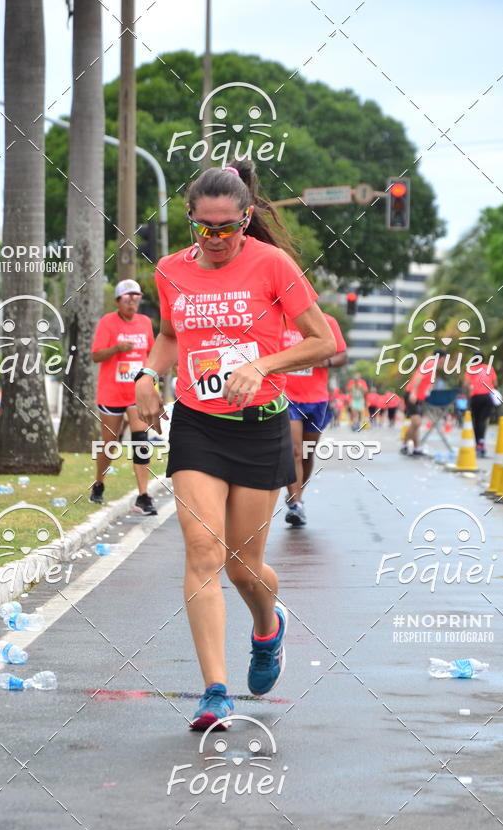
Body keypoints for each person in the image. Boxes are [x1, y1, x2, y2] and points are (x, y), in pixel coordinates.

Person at [135, 161, 336, 731]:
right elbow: (171, 336)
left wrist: (262, 363)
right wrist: (145, 377)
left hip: (260, 425)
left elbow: (323, 341)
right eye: (206, 228)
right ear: (190, 220)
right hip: (198, 424)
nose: (218, 239)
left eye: (228, 228)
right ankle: (215, 692)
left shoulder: (272, 264)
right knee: (202, 553)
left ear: (246, 219)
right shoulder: (171, 271)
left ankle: (268, 629)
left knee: (243, 567)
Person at [90, 279, 157, 515]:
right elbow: (96, 356)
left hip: (136, 393)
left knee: (141, 439)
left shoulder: (145, 322)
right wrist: (117, 349)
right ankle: (99, 483)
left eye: (136, 296)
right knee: (110, 444)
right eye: (128, 297)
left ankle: (143, 495)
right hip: (111, 392)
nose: (132, 301)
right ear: (118, 301)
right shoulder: (107, 323)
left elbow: (151, 354)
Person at [282, 313, 347, 526]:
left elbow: (342, 355)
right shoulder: (279, 319)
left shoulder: (326, 321)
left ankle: (297, 493)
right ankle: (296, 503)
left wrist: (324, 361)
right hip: (287, 396)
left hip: (317, 399)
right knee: (295, 451)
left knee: (308, 453)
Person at [401, 350, 448, 456]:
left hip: (419, 397)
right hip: (412, 395)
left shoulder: (432, 366)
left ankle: (415, 448)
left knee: (416, 424)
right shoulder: (430, 364)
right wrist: (413, 393)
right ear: (440, 358)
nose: (444, 362)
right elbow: (419, 377)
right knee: (416, 422)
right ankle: (405, 445)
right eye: (444, 360)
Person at [464, 361, 498, 457]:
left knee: (476, 421)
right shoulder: (489, 368)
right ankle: (481, 442)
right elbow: (495, 383)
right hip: (487, 397)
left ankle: (478, 443)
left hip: (476, 397)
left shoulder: (470, 369)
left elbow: (466, 384)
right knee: (482, 421)